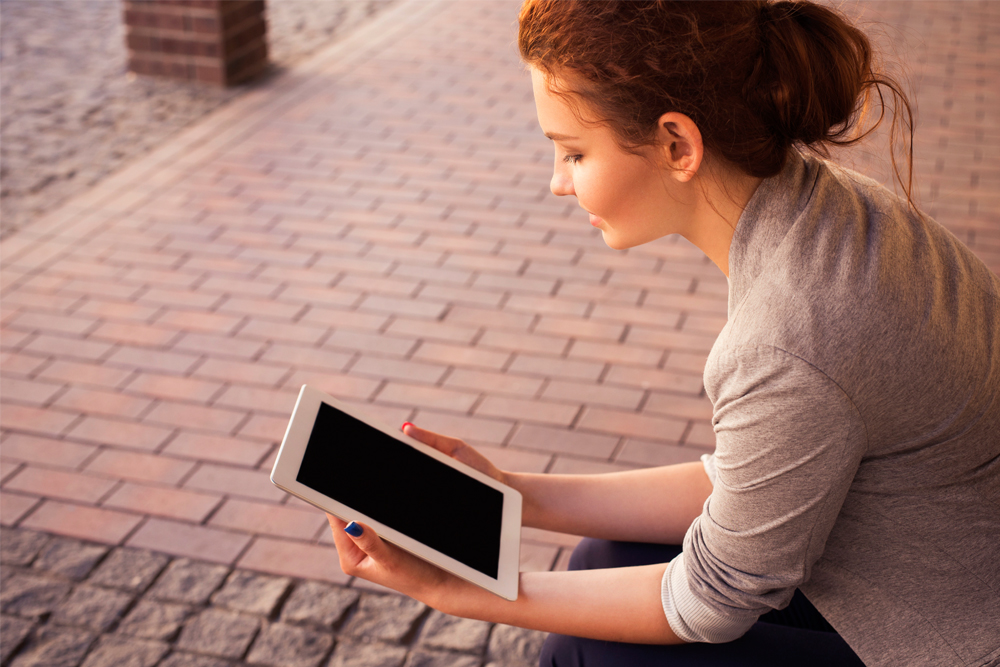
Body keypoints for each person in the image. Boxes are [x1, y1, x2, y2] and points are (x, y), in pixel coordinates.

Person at [327, 1, 1000, 665]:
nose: (558, 183)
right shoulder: (826, 208)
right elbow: (753, 473)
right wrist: (512, 493)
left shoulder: (788, 336)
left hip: (949, 636)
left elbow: (711, 600)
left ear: (678, 144)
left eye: (574, 153)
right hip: (926, 573)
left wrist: (459, 591)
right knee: (601, 557)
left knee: (588, 653)